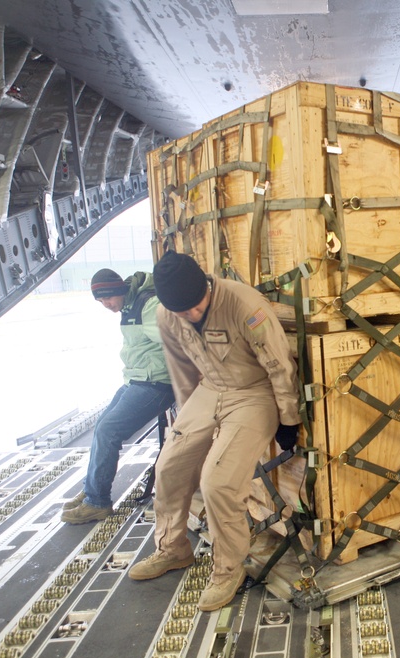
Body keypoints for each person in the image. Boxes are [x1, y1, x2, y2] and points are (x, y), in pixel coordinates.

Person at [127, 251, 301, 612]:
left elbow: (279, 366)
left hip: (255, 393)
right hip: (210, 390)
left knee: (217, 482)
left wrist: (289, 419)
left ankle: (227, 570)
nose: (190, 315)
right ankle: (172, 549)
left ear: (205, 285)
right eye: (181, 311)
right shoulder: (167, 315)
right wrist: (189, 425)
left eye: (195, 306)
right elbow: (181, 371)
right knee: (169, 468)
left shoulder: (244, 305)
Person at [61, 269, 176, 524]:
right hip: (137, 379)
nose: (106, 305)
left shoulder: (148, 305)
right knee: (101, 426)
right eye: (101, 301)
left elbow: (177, 338)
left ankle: (97, 502)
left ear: (119, 290)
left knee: (108, 431)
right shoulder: (129, 305)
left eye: (108, 298)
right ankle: (92, 488)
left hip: (156, 383)